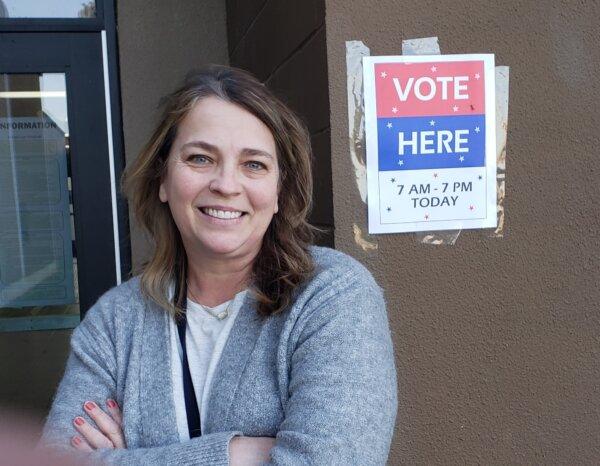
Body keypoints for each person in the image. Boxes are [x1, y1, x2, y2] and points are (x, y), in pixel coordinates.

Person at [39, 65, 398, 465]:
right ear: (162, 179)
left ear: (279, 191)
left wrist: (127, 458)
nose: (227, 184)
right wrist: (236, 453)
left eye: (254, 164)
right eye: (200, 158)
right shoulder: (115, 323)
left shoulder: (330, 296)